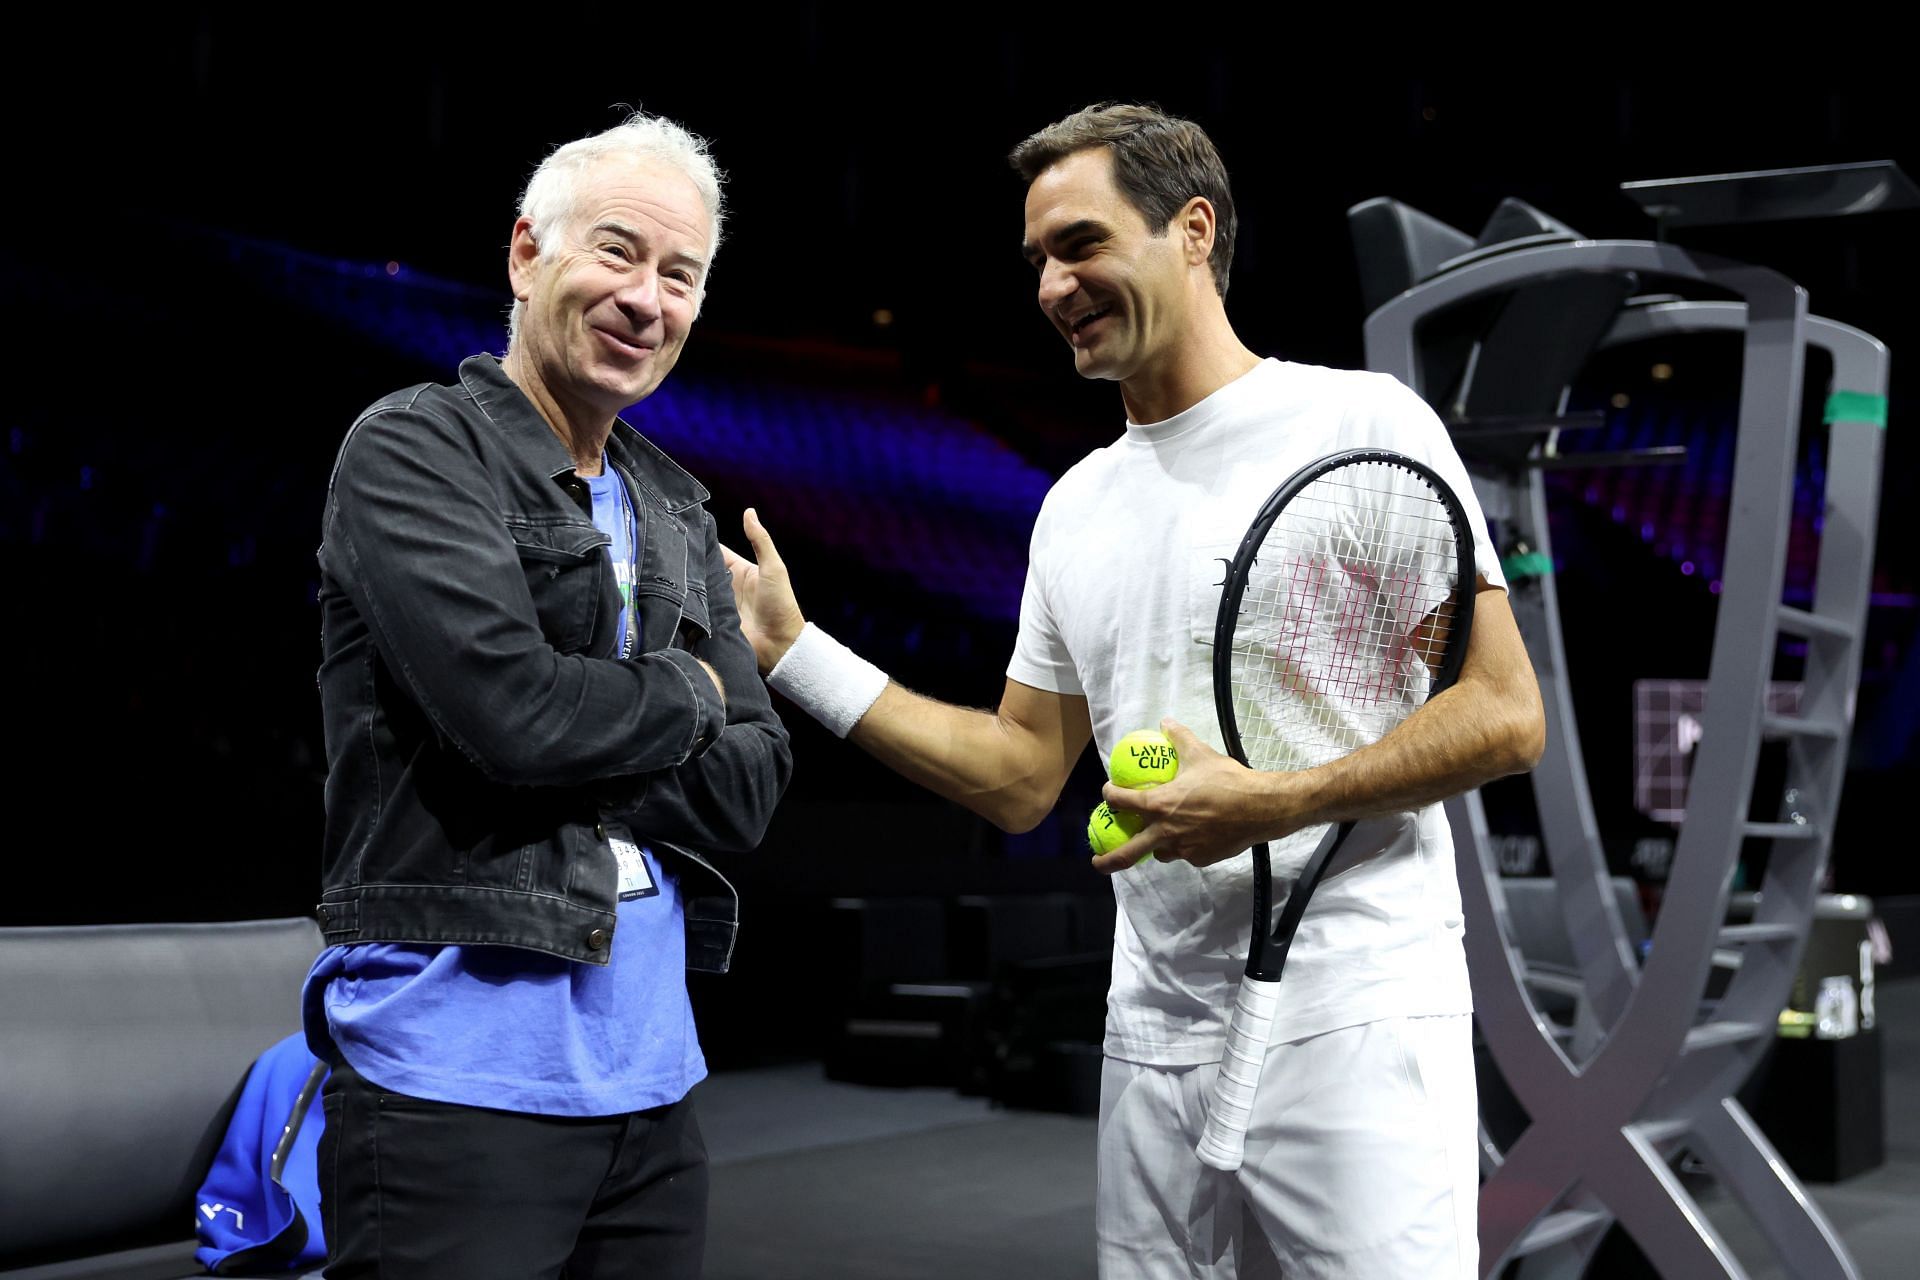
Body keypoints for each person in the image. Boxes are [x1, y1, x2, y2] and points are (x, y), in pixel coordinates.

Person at [725, 103, 1543, 1278]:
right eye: (1039, 261)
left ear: (1194, 229)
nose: (1055, 284)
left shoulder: (1360, 423)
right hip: (1153, 1034)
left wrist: (1269, 800)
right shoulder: (1075, 507)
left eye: (1082, 244)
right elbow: (1018, 778)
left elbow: (1507, 712)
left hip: (1355, 1020)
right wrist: (798, 654)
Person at [305, 110, 791, 1279]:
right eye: (617, 252)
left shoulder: (677, 503)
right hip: (446, 1080)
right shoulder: (415, 449)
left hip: (655, 1087)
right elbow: (513, 717)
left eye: (682, 275)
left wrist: (603, 715)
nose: (648, 298)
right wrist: (687, 681)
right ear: (528, 254)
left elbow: (753, 784)